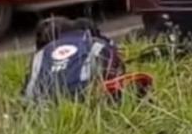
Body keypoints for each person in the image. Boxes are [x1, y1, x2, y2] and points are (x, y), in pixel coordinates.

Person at [23, 16, 151, 104]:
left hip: (39, 102)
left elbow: (27, 87)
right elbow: (118, 68)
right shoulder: (96, 44)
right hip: (86, 96)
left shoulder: (40, 55)